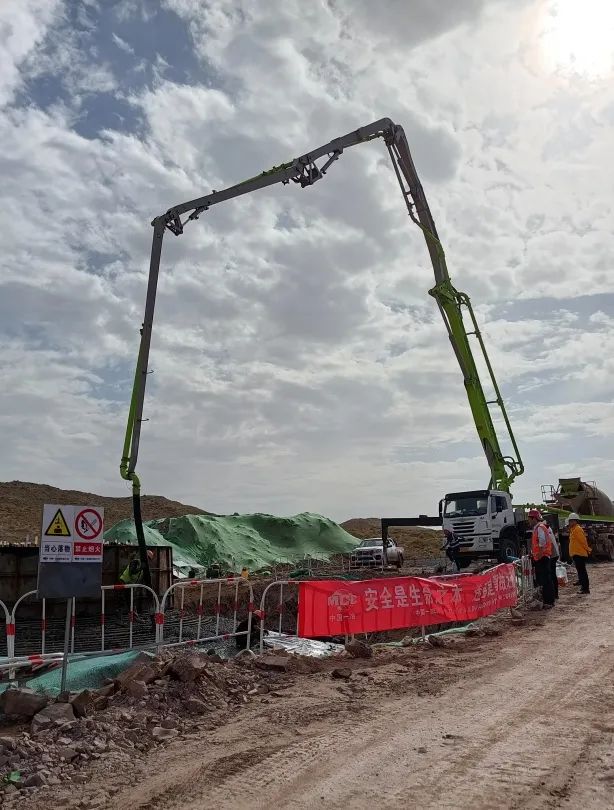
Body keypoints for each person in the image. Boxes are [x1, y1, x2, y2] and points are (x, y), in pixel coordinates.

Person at [528, 509, 555, 607]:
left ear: (534, 518)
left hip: (542, 557)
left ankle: (549, 601)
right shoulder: (539, 527)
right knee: (545, 579)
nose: (529, 521)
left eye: (529, 518)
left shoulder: (539, 528)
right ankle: (547, 600)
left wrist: (538, 555)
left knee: (545, 580)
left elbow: (542, 543)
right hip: (542, 557)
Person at [568, 513, 591, 595]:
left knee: (582, 572)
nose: (569, 523)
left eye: (570, 521)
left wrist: (588, 549)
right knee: (580, 571)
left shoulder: (577, 529)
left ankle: (585, 589)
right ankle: (582, 583)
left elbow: (583, 541)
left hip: (580, 554)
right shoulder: (573, 529)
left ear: (574, 521)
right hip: (576, 554)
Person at [548, 525, 561, 602]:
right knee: (552, 575)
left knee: (552, 575)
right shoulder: (546, 528)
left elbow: (548, 543)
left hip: (552, 555)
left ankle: (555, 594)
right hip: (553, 554)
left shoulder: (543, 528)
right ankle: (555, 594)